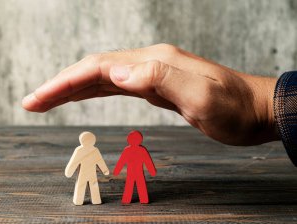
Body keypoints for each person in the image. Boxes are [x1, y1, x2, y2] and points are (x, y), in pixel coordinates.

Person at [22, 44, 297, 166]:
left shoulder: (133, 150)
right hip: (113, 177)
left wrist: (263, 105)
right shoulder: (122, 150)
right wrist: (263, 104)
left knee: (125, 188)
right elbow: (98, 164)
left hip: (126, 177)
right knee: (108, 189)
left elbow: (116, 165)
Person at [65, 131, 109, 205]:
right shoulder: (82, 150)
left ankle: (88, 200)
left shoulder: (94, 150)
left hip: (89, 173)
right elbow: (74, 162)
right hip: (84, 173)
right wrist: (105, 170)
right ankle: (84, 200)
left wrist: (105, 170)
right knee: (86, 185)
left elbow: (100, 161)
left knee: (89, 185)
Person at [114, 130, 156, 204]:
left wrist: (116, 171)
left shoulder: (134, 150)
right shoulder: (140, 150)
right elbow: (148, 161)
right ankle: (142, 199)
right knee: (137, 185)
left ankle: (133, 199)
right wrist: (152, 171)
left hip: (134, 172)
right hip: (135, 172)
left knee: (132, 185)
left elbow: (121, 161)